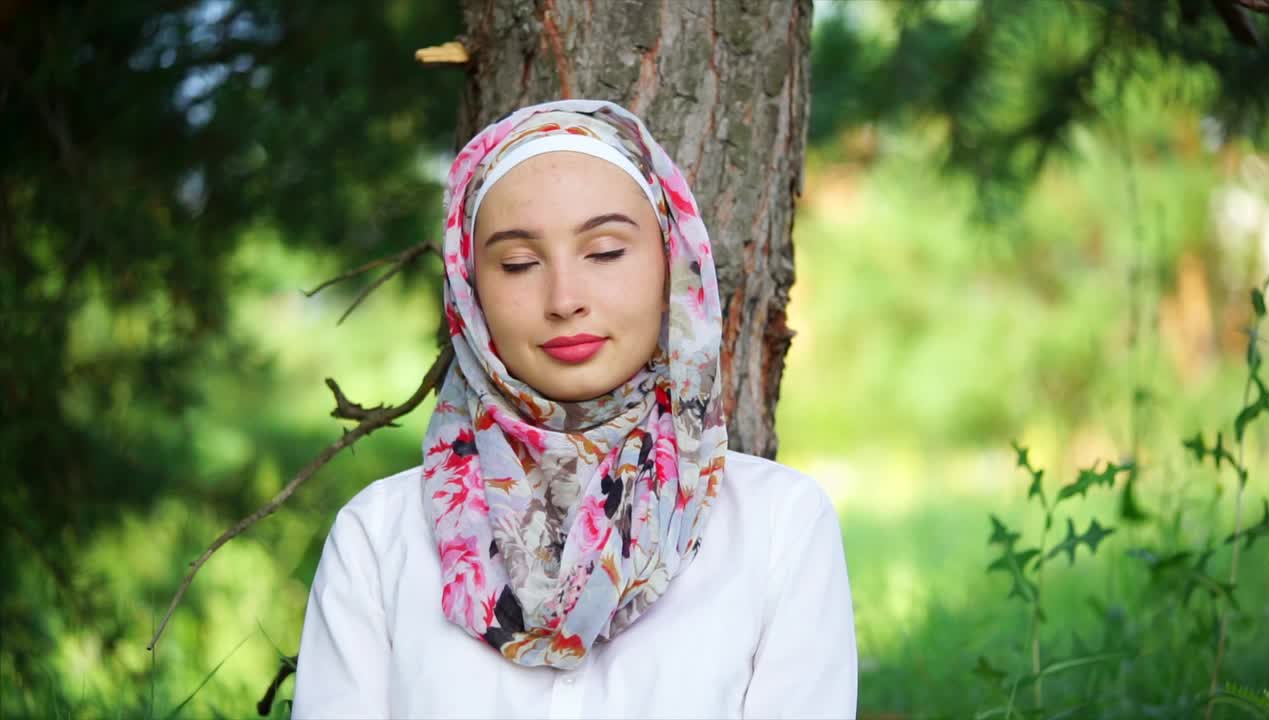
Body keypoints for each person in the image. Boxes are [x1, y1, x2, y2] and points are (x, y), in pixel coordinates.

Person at [292, 99, 858, 719]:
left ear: (672, 268)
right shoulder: (378, 539)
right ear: (470, 294)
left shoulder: (779, 528)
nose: (564, 299)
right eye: (518, 264)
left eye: (606, 252)